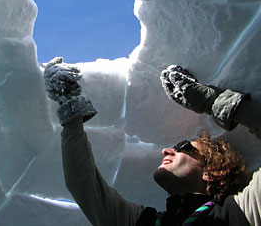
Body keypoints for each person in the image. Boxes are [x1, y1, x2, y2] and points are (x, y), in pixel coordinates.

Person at [43, 58, 261, 226]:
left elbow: (83, 187)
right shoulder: (150, 222)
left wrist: (212, 101)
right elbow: (84, 185)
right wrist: (70, 106)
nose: (167, 150)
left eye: (183, 147)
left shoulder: (244, 212)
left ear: (211, 171)